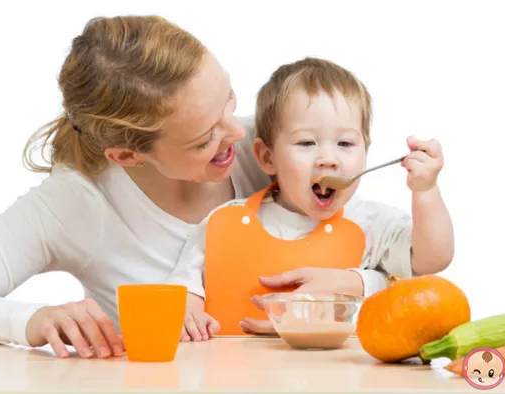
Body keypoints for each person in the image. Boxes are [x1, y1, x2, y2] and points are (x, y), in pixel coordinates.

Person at [0, 16, 377, 359]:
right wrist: (31, 321)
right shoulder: (74, 203)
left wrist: (356, 283)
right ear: (127, 156)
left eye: (228, 100)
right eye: (203, 139)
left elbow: (387, 251)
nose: (236, 133)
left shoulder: (273, 152)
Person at [168, 57, 455, 341]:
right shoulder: (223, 222)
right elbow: (183, 288)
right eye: (306, 143)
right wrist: (189, 306)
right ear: (267, 157)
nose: (328, 159)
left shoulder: (371, 222)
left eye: (345, 143)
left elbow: (432, 260)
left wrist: (426, 191)